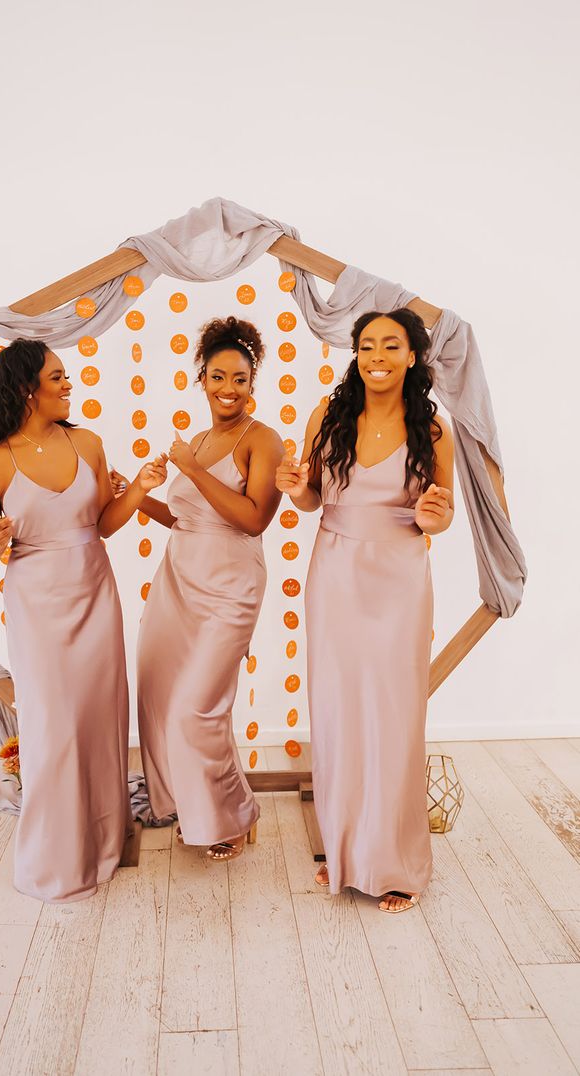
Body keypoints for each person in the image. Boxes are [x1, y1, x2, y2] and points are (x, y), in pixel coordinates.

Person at [0, 338, 166, 902]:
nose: (67, 385)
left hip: (94, 589)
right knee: (51, 722)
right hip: (35, 600)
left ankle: (102, 843)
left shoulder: (88, 442)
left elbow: (103, 521)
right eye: (57, 377)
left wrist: (143, 491)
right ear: (27, 388)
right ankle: (54, 856)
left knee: (99, 716)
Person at [276, 308, 454, 912]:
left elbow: (443, 510)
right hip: (336, 574)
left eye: (390, 345)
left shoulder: (433, 431)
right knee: (338, 711)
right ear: (355, 353)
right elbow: (308, 499)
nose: (376, 355)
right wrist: (292, 484)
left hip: (401, 577)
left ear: (412, 357)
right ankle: (345, 853)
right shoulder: (328, 417)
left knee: (396, 714)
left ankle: (396, 863)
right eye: (367, 345)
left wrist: (435, 517)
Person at [112, 316, 284, 861]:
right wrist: (137, 495)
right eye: (217, 376)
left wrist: (191, 467)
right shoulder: (202, 438)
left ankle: (231, 815)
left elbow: (253, 518)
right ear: (202, 379)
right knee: (160, 693)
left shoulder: (264, 440)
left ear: (253, 384)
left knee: (197, 706)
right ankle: (187, 803)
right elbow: (185, 518)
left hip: (230, 586)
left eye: (239, 378)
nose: (228, 388)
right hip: (177, 584)